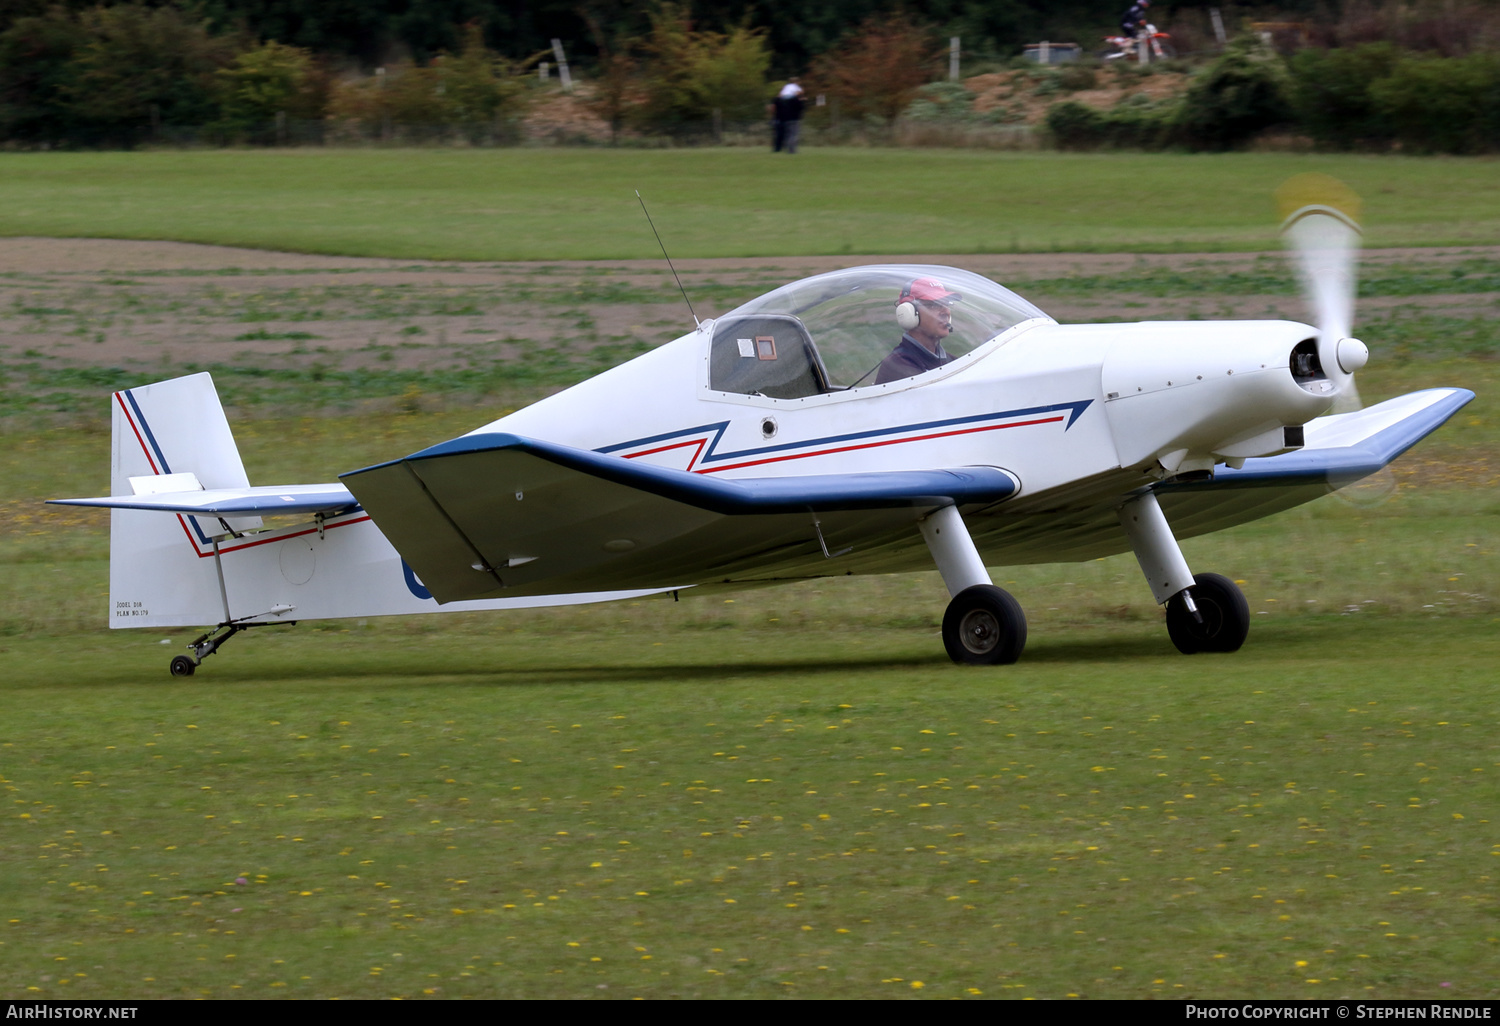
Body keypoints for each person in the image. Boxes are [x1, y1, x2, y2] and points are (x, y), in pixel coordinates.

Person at [874, 277, 961, 384]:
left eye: (946, 304)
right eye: (934, 305)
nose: (946, 312)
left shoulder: (952, 362)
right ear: (909, 312)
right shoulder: (898, 366)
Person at [771, 78, 805, 153]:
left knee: (785, 134)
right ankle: (791, 149)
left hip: (785, 118)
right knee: (792, 134)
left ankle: (781, 148)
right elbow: (801, 107)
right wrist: (802, 100)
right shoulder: (795, 96)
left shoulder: (783, 93)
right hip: (793, 118)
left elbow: (774, 107)